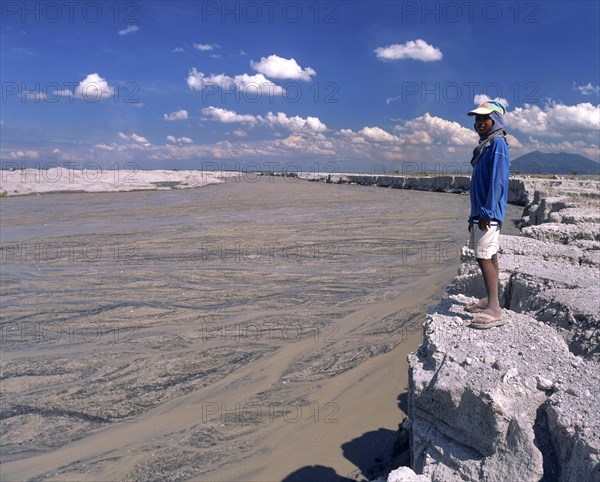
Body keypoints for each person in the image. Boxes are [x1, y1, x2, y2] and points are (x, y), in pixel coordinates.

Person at [464, 100, 510, 329]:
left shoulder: (498, 144)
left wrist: (487, 211)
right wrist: (474, 214)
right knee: (489, 255)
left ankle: (494, 310)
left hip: (488, 213)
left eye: (485, 119)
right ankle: (491, 299)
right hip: (480, 212)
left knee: (483, 256)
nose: (480, 123)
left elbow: (497, 182)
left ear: (497, 120)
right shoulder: (486, 145)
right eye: (477, 119)